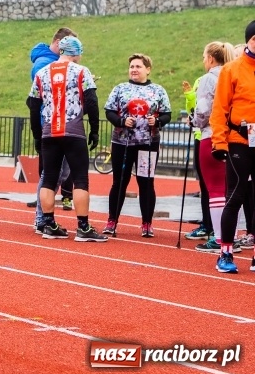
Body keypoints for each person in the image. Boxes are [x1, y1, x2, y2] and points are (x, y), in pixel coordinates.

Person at [27, 36, 106, 242]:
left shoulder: (43, 73)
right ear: (76, 52)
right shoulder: (81, 71)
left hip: (49, 131)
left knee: (49, 177)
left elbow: (33, 105)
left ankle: (48, 223)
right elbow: (91, 100)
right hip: (73, 131)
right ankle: (83, 227)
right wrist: (94, 130)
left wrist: (37, 135)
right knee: (80, 179)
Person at [102, 54, 172, 238]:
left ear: (148, 69)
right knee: (119, 182)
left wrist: (156, 121)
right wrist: (121, 121)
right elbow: (109, 111)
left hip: (147, 145)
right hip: (122, 143)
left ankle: (147, 223)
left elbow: (166, 114)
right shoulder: (120, 89)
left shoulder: (158, 90)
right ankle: (112, 221)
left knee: (146, 183)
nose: (134, 69)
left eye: (138, 66)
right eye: (132, 66)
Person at [210, 21, 255, 273]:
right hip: (239, 141)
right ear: (248, 40)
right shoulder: (232, 69)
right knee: (235, 196)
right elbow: (220, 109)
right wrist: (219, 141)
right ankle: (225, 253)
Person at [192, 42, 240, 254]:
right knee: (233, 191)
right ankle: (232, 238)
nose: (204, 61)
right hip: (237, 137)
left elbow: (203, 109)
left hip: (212, 134)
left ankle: (220, 239)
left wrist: (195, 121)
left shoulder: (208, 78)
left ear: (211, 58)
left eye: (204, 57)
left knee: (215, 190)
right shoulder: (234, 74)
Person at [29, 27, 76, 215]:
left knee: (60, 172)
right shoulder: (43, 65)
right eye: (68, 46)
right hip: (50, 123)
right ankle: (42, 216)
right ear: (58, 43)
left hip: (58, 122)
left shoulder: (53, 62)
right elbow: (43, 95)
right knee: (51, 172)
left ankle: (45, 210)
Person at [182, 76, 212, 240]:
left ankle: (217, 228)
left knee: (217, 185)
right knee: (204, 183)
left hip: (214, 135)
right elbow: (194, 108)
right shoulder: (201, 80)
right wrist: (189, 96)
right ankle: (207, 224)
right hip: (200, 136)